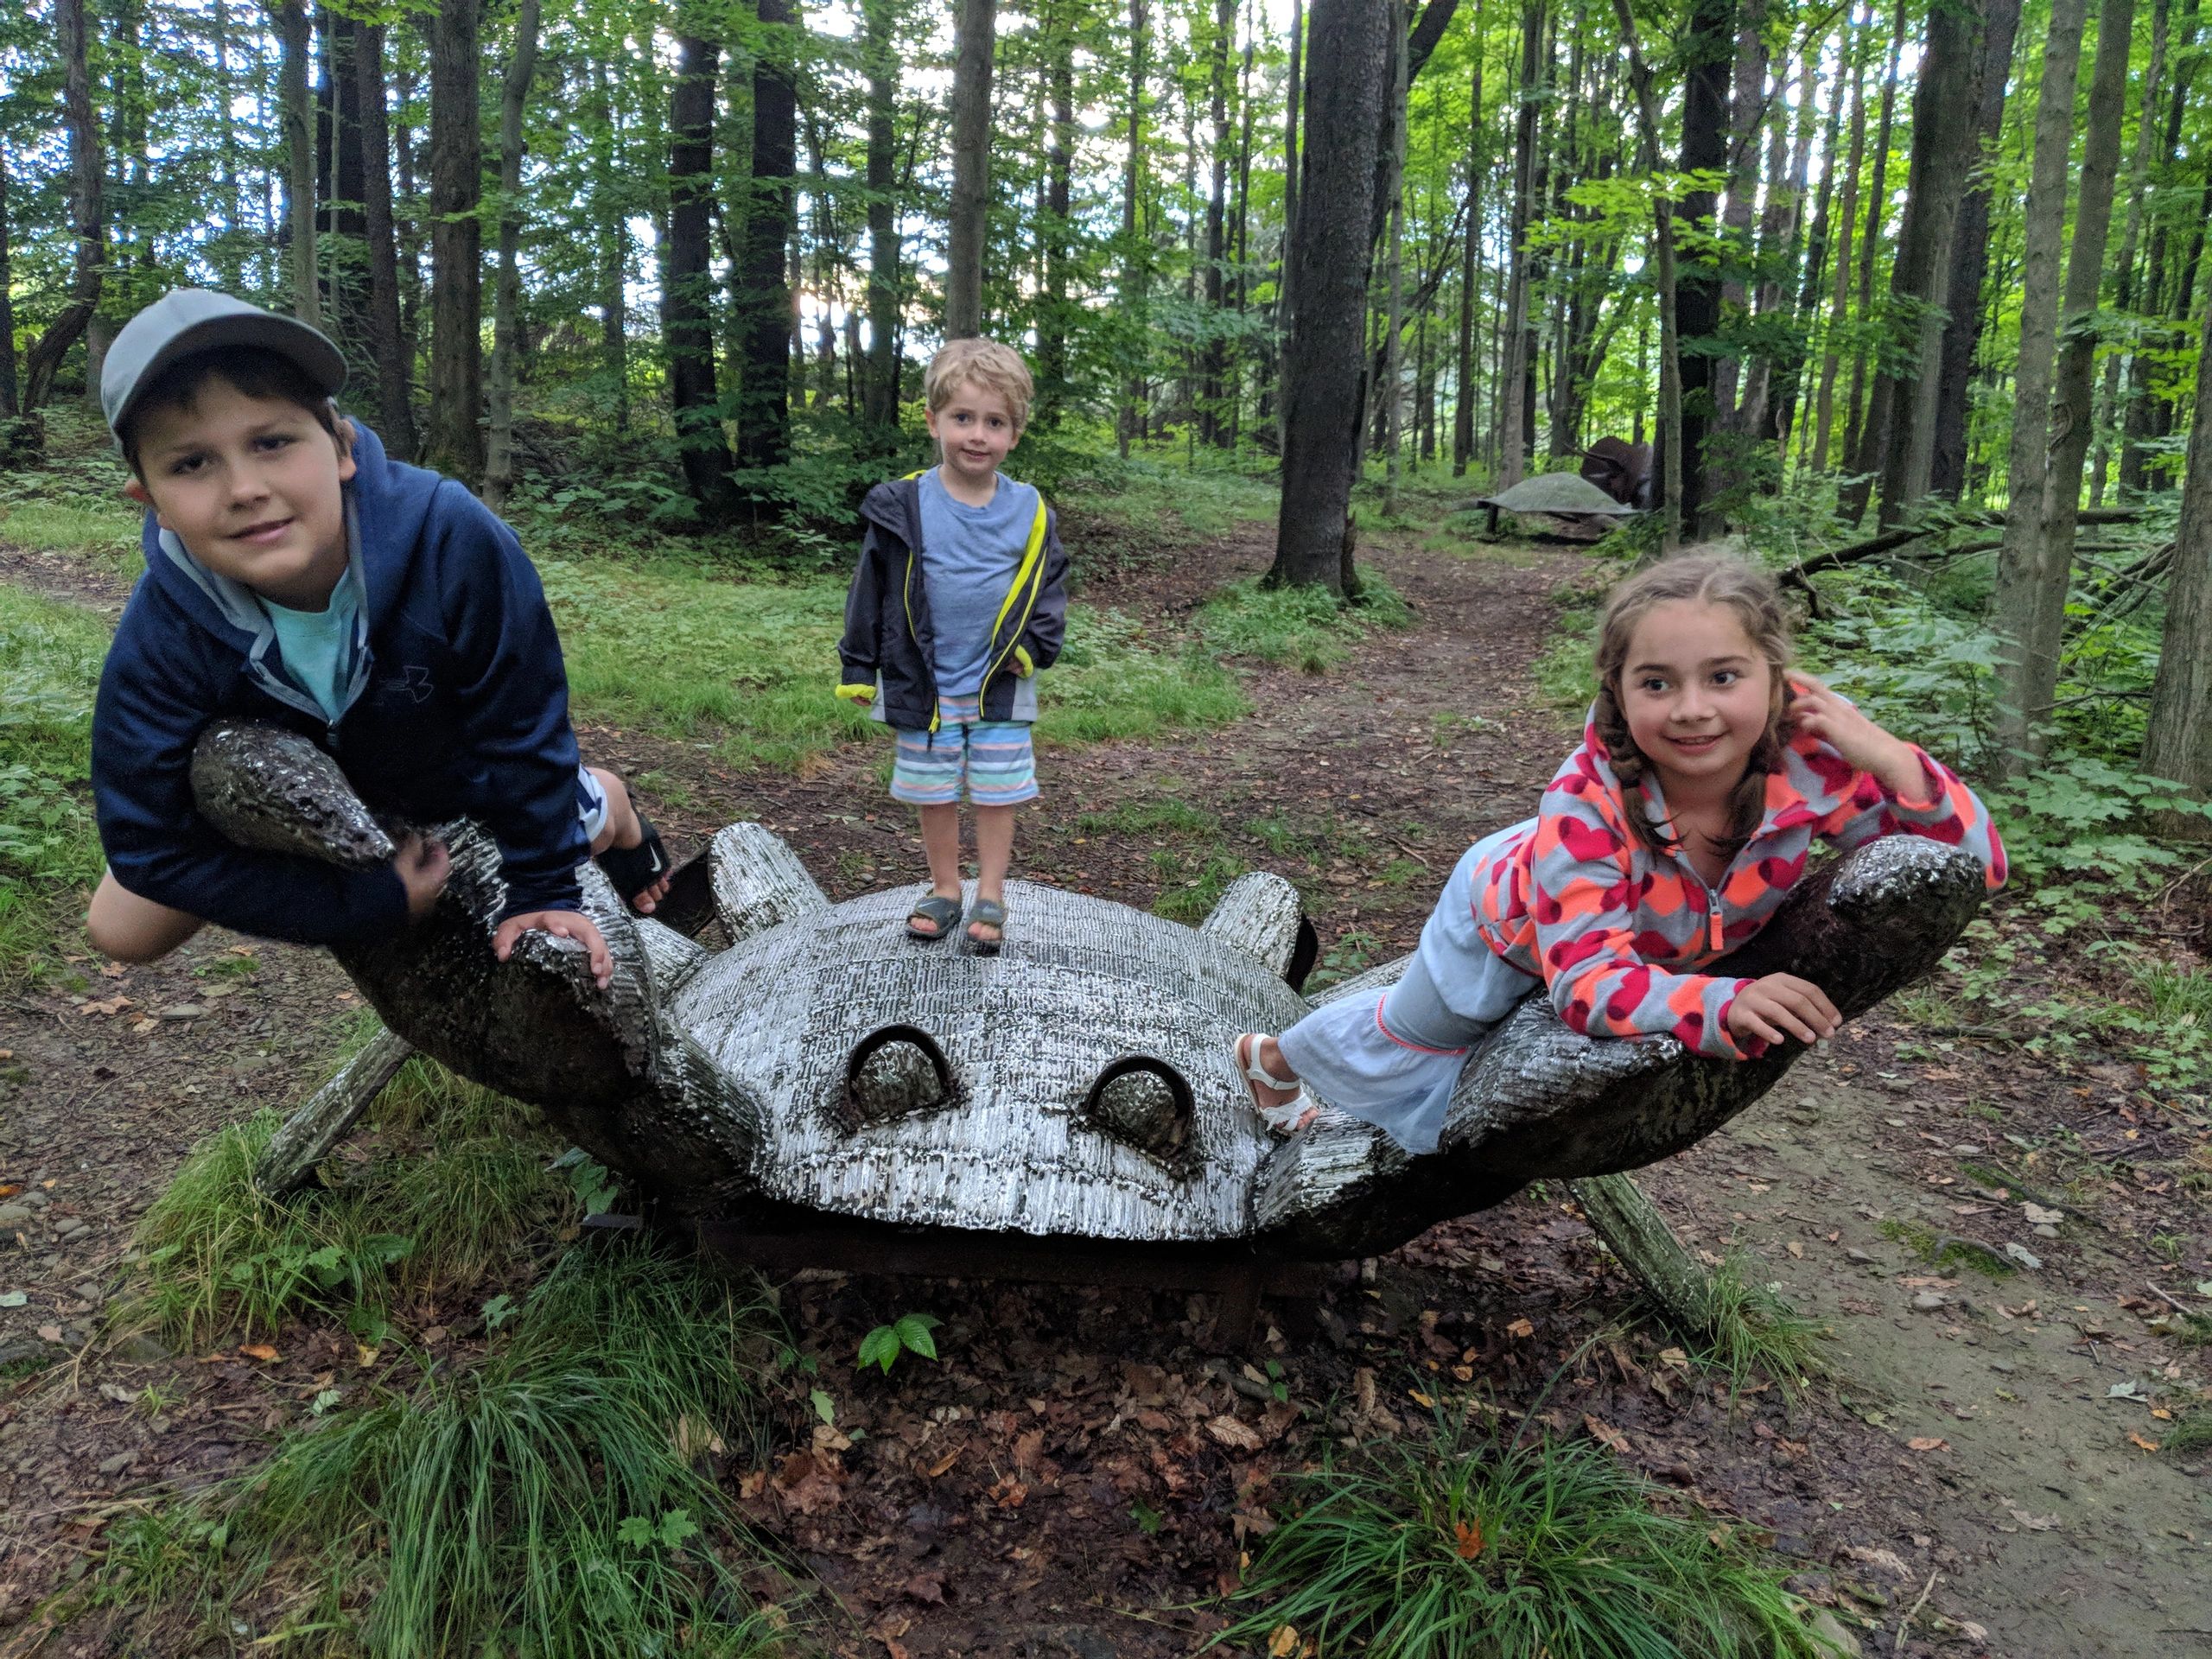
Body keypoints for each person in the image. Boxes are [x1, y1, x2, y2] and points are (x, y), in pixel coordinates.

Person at [1234, 552, 2008, 1151]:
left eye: (1725, 676)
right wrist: (1721, 999)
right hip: (1508, 919)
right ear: (1619, 691)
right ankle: (1274, 1058)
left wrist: (1891, 759)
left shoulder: (1811, 769)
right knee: (1427, 1032)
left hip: (1617, 931)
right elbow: (1586, 986)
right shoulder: (1588, 799)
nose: (1694, 709)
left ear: (1779, 682)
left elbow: (1971, 870)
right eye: (1658, 683)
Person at [84, 288, 671, 990]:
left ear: (340, 447)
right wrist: (357, 904)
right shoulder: (166, 624)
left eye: (271, 443)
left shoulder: (452, 538)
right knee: (119, 929)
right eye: (191, 464)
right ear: (150, 502)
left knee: (573, 813)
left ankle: (611, 802)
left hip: (459, 767)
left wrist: (545, 888)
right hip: (326, 794)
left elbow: (522, 721)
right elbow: (146, 846)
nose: (244, 488)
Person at [835, 339, 1068, 955]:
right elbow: (871, 589)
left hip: (997, 683)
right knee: (933, 791)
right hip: (924, 682)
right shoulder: (903, 505)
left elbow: (1050, 583)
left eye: (995, 422)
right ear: (933, 419)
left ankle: (991, 892)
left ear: (1014, 434)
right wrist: (858, 666)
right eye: (963, 417)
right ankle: (944, 888)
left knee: (998, 792)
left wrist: (1036, 647)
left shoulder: (1029, 510)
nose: (977, 435)